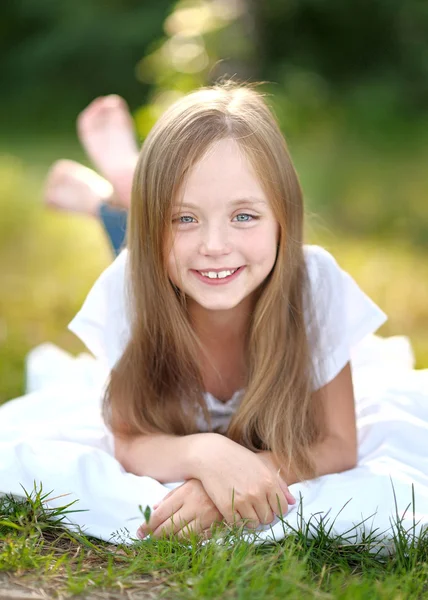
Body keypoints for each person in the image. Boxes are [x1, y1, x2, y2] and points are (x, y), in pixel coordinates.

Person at [64, 81, 388, 542]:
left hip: (180, 262)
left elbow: (339, 444)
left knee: (187, 254)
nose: (216, 246)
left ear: (284, 217)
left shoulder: (315, 282)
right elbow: (128, 439)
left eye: (244, 216)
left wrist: (244, 474)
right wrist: (205, 455)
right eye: (183, 217)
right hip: (158, 271)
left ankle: (127, 185)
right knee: (132, 240)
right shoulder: (128, 285)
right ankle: (120, 187)